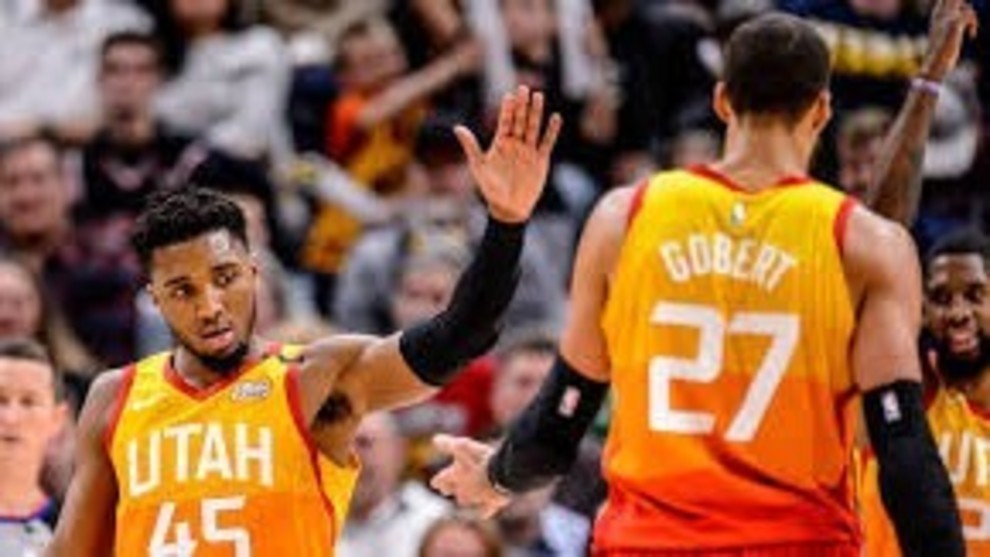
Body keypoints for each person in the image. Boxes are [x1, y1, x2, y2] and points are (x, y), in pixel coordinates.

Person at [431, 13, 964, 556]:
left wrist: (499, 474)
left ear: (722, 101)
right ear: (822, 110)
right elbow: (902, 448)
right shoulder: (864, 242)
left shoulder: (626, 217)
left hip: (647, 544)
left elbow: (563, 415)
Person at [43, 85, 561, 556]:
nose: (209, 305)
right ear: (153, 298)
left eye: (225, 277)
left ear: (254, 271)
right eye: (182, 290)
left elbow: (459, 337)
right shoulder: (116, 398)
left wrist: (506, 223)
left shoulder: (315, 376)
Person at [862, 230, 990, 555]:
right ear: (921, 312)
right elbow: (875, 278)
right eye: (941, 299)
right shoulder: (911, 388)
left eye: (975, 295)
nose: (959, 313)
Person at [0, 339, 68, 555]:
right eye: (0, 400)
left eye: (29, 402)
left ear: (57, 419)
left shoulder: (77, 531)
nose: (11, 418)